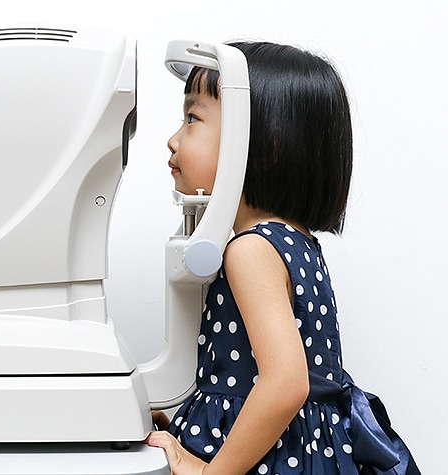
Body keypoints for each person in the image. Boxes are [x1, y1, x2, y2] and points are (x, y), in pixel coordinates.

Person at [146, 41, 420, 475]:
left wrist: (209, 473)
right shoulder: (296, 243)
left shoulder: (252, 249)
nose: (174, 138)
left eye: (192, 118)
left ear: (260, 143)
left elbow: (284, 384)